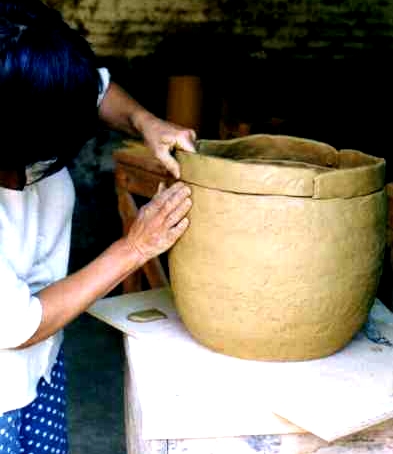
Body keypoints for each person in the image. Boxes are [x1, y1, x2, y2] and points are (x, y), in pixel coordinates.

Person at [0, 1, 196, 453]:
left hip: (39, 365)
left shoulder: (23, 76)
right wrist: (134, 248)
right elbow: (19, 323)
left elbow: (95, 90)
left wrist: (146, 122)